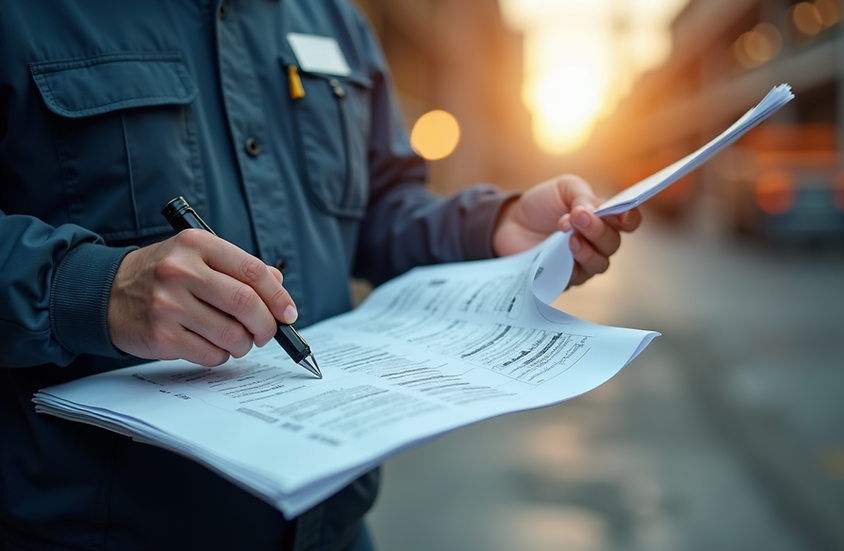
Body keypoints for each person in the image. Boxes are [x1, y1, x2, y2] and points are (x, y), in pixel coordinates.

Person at [0, 1, 640, 550]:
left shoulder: (332, 17)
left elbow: (379, 205)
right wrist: (93, 288)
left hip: (334, 528)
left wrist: (492, 230)